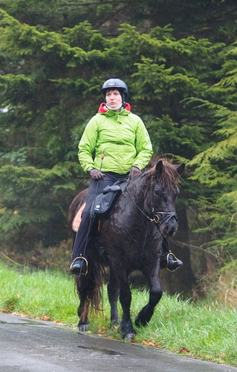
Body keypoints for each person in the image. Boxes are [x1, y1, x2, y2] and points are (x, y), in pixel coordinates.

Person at [69, 78, 182, 275]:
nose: (112, 98)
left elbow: (146, 148)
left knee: (153, 206)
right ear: (105, 98)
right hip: (103, 176)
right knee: (89, 212)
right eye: (109, 94)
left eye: (115, 94)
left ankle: (167, 254)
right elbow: (84, 149)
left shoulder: (135, 121)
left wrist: (137, 166)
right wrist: (91, 168)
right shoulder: (97, 121)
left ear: (123, 97)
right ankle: (79, 257)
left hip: (132, 175)